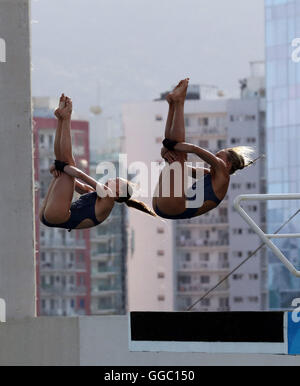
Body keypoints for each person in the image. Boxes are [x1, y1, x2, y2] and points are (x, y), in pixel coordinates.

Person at [40, 94, 156, 232]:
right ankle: (62, 119)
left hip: (57, 215)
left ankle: (65, 118)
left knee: (68, 164)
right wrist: (57, 171)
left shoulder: (108, 198)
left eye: (117, 180)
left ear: (117, 193)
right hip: (50, 216)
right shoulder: (96, 195)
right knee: (65, 164)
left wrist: (60, 168)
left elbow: (80, 175)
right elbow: (75, 182)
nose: (112, 179)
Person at [152, 78, 262, 220]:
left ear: (227, 164)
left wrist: (169, 145)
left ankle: (179, 102)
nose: (215, 157)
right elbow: (177, 163)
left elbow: (194, 149)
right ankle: (173, 104)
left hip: (172, 206)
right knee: (174, 160)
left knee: (178, 156)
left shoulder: (223, 173)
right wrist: (166, 151)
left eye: (219, 156)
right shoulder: (209, 174)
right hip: (165, 206)